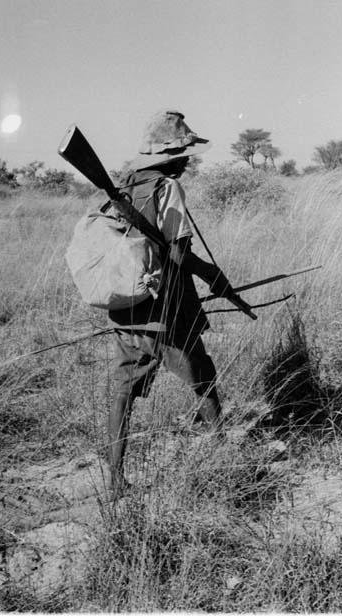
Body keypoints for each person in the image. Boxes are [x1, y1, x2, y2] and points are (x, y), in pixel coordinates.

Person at [107, 109, 236, 498]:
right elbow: (179, 257)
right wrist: (214, 274)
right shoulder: (167, 187)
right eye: (185, 153)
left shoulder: (124, 186)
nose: (188, 159)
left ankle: (113, 479)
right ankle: (222, 453)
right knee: (203, 374)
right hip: (166, 305)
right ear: (173, 153)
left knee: (123, 391)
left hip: (127, 300)